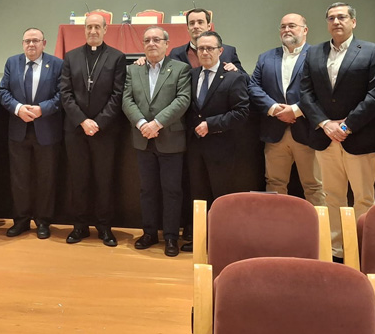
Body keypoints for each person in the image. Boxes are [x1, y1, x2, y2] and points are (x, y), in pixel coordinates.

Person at [300, 2, 375, 259]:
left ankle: (362, 249)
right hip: (325, 137)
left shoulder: (372, 51)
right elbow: (305, 94)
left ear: (353, 22)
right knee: (332, 197)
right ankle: (337, 250)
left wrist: (347, 126)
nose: (336, 22)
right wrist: (325, 124)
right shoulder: (314, 53)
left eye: (342, 17)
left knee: (363, 198)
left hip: (358, 136)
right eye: (331, 18)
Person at [122, 27, 191, 257]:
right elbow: (127, 100)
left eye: (156, 40)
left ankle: (171, 237)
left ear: (166, 44)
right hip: (143, 139)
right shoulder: (133, 70)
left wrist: (157, 123)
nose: (151, 43)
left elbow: (183, 100)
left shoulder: (180, 69)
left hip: (170, 139)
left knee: (172, 191)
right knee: (147, 190)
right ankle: (149, 233)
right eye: (147, 40)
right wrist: (142, 123)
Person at [59, 11, 126, 247]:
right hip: (76, 130)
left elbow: (118, 94)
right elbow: (65, 93)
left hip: (105, 131)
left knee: (104, 180)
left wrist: (98, 122)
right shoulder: (71, 57)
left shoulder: (117, 57)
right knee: (79, 179)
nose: (93, 31)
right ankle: (79, 226)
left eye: (98, 27)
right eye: (89, 27)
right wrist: (82, 120)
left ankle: (105, 227)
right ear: (84, 30)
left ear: (105, 29)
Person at [248, 14, 324, 205]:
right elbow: (253, 87)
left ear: (305, 30)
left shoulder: (318, 55)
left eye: (292, 26)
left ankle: (320, 226)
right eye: (283, 27)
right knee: (274, 184)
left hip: (307, 131)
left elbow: (322, 90)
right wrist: (274, 108)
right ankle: (276, 224)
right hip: (274, 132)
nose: (286, 30)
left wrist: (296, 110)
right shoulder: (266, 57)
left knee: (314, 186)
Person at [184, 31, 250, 251]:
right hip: (195, 148)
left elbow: (241, 112)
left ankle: (222, 243)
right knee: (198, 195)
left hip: (222, 148)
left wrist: (211, 125)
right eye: (201, 48)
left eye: (209, 48)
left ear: (220, 51)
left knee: (221, 197)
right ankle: (200, 241)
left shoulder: (233, 77)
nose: (204, 52)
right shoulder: (192, 75)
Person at [0, 28, 64, 239]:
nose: (31, 44)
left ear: (44, 43)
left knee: (46, 178)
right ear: (22, 43)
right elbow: (3, 91)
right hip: (19, 130)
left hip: (46, 130)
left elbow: (62, 94)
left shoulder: (57, 64)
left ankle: (43, 221)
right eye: (27, 41)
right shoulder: (12, 62)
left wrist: (42, 109)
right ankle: (21, 220)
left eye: (35, 40)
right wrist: (18, 109)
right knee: (19, 179)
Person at [170, 8, 244, 72]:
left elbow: (246, 78)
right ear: (188, 28)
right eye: (192, 23)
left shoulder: (228, 52)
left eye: (200, 22)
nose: (196, 26)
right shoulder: (176, 53)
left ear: (209, 26)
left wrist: (236, 71)